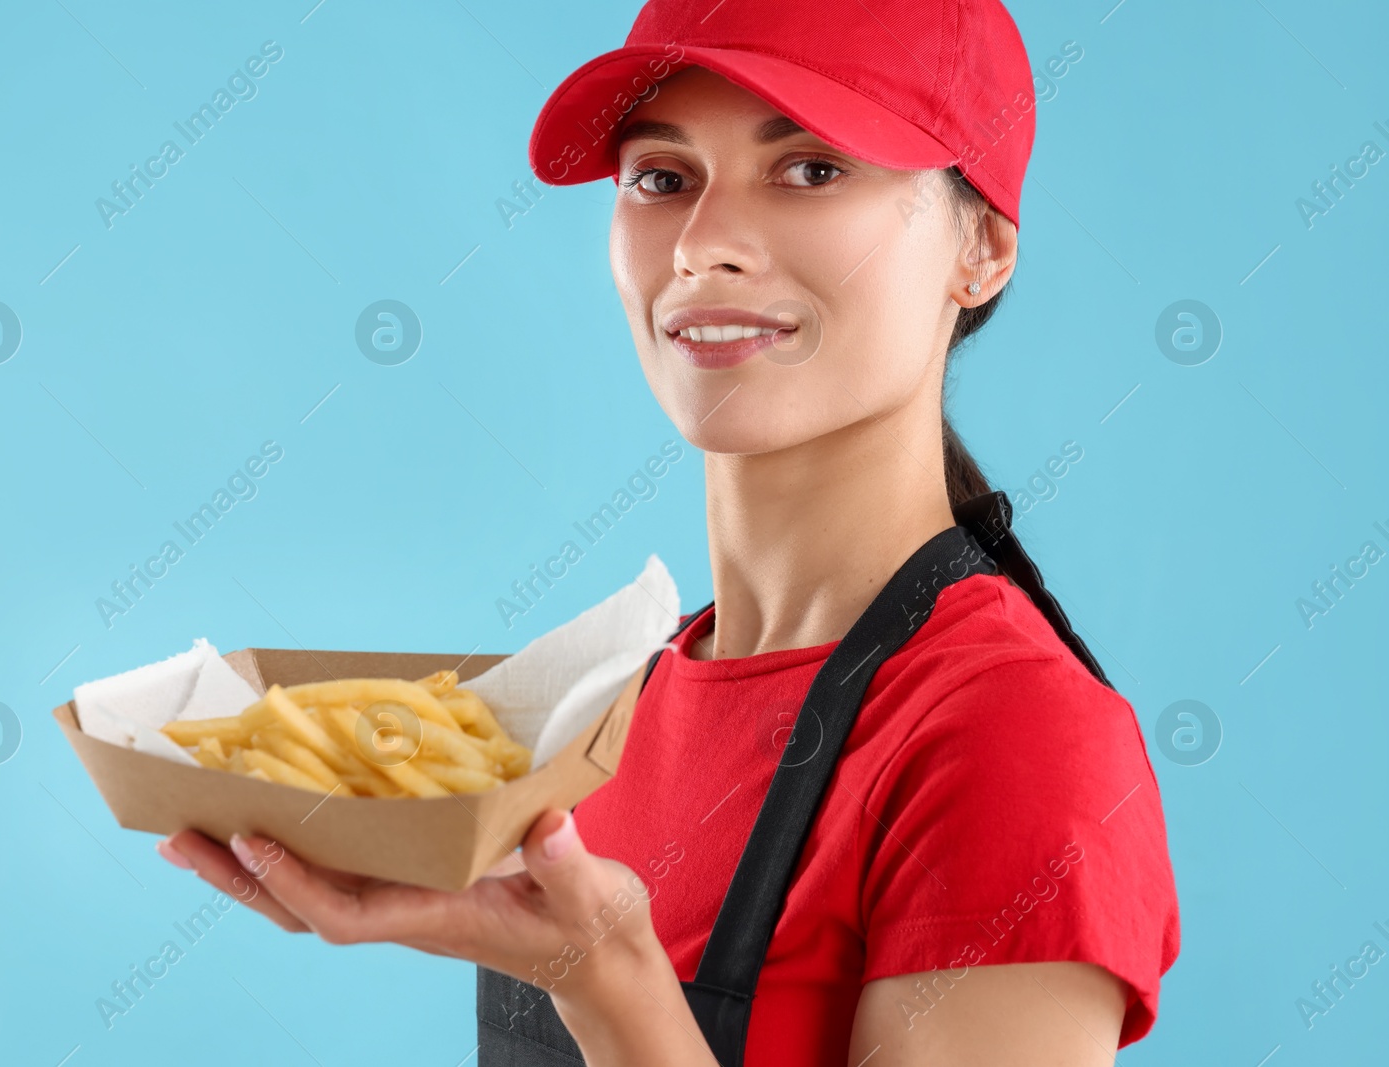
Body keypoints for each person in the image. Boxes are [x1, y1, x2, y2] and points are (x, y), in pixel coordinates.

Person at [157, 1, 1181, 1064]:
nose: (703, 244)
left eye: (811, 170)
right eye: (661, 177)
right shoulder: (595, 715)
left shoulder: (1012, 737)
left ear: (982, 248)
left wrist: (609, 986)